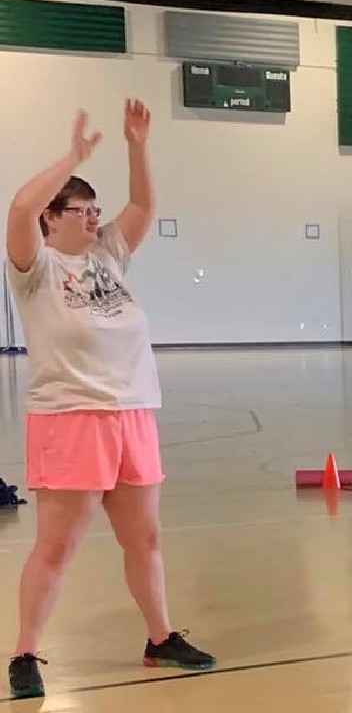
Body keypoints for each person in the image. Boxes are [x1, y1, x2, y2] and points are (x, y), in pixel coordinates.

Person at [6, 102, 214, 699]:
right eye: (82, 209)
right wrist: (72, 156)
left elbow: (144, 206)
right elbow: (19, 206)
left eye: (98, 208)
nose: (96, 218)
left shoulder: (107, 256)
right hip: (70, 418)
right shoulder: (34, 266)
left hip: (132, 414)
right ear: (53, 218)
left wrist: (136, 144)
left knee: (143, 539)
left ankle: (160, 637)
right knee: (59, 545)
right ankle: (25, 653)